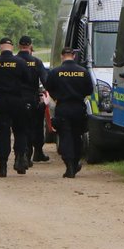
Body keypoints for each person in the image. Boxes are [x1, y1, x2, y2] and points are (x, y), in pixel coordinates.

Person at [0, 38, 32, 177]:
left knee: (3, 132)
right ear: (12, 47)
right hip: (18, 100)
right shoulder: (20, 62)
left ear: (0, 47)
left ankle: (2, 166)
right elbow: (28, 80)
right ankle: (20, 160)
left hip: (1, 101)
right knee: (20, 131)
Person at [44, 46, 94, 178]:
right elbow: (89, 90)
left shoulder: (55, 72)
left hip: (63, 108)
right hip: (78, 108)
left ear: (61, 56)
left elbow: (48, 87)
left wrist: (57, 97)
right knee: (77, 137)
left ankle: (69, 166)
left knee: (65, 137)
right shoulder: (83, 71)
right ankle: (76, 162)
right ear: (74, 56)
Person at [15, 35, 49, 169]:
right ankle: (35, 153)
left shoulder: (14, 60)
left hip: (17, 98)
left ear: (19, 45)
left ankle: (22, 154)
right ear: (30, 45)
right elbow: (45, 81)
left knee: (19, 128)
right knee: (35, 126)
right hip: (32, 97)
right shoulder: (37, 62)